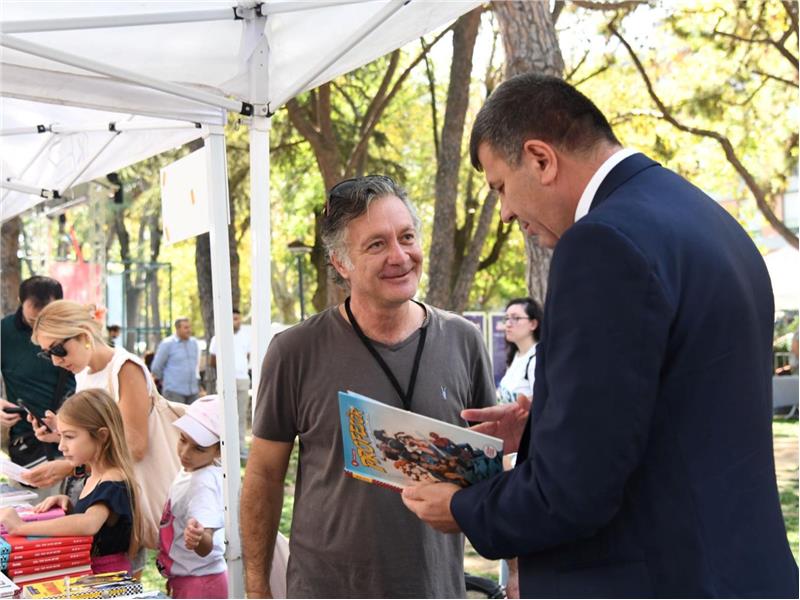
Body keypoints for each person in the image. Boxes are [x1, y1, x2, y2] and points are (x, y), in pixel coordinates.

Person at [402, 73, 799, 597]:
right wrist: (543, 420)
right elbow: (680, 406)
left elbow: (573, 491)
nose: (506, 214)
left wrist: (462, 507)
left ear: (541, 159)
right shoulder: (709, 219)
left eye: (500, 187)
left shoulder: (600, 245)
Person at [240, 175, 496, 598]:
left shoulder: (463, 340)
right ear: (341, 263)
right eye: (376, 244)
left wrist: (519, 568)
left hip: (436, 588)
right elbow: (265, 476)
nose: (400, 256)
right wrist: (256, 589)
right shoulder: (294, 351)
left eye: (407, 237)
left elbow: (494, 467)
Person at [30, 300, 182, 573]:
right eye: (47, 353)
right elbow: (100, 434)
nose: (55, 360)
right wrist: (61, 435)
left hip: (123, 500)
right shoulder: (85, 374)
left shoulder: (125, 368)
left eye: (58, 349)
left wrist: (68, 465)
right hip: (100, 494)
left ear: (84, 334)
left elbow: (133, 447)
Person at [0, 388, 142, 575]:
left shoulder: (113, 481)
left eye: (69, 436)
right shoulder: (95, 476)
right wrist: (68, 505)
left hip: (106, 578)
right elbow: (97, 519)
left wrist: (21, 527)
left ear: (102, 435)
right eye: (61, 436)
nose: (61, 446)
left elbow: (88, 524)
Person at [0, 276, 76, 499]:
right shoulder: (4, 333)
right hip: (28, 443)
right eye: (34, 320)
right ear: (20, 301)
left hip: (74, 437)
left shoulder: (75, 332)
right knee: (33, 516)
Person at [157, 395, 227, 599]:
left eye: (199, 448)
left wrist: (198, 538)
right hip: (189, 579)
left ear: (219, 450)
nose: (185, 452)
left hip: (201, 583)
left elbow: (206, 547)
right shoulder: (194, 469)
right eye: (183, 439)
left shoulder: (202, 484)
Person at [208, 309, 251, 460]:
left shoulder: (246, 336)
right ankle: (223, 448)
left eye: (238, 319)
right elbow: (212, 361)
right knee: (224, 413)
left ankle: (241, 448)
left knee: (241, 413)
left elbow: (248, 355)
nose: (236, 322)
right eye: (233, 319)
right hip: (226, 381)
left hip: (242, 379)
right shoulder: (218, 338)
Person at [497, 297, 542, 405]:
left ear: (533, 324)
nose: (508, 324)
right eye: (506, 318)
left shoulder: (537, 360)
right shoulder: (516, 355)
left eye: (515, 318)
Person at [151, 318, 201, 404]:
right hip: (174, 392)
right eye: (186, 328)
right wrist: (167, 380)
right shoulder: (167, 344)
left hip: (193, 392)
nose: (189, 330)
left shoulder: (194, 343)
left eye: (189, 327)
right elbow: (156, 368)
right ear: (177, 328)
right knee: (176, 418)